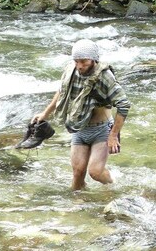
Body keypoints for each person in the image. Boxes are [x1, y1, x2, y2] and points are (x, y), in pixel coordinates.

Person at [32, 39, 131, 190]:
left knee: (95, 172)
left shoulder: (105, 77)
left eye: (83, 61)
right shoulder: (71, 70)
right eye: (76, 61)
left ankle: (112, 186)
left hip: (102, 129)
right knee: (78, 173)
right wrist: (45, 114)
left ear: (93, 59)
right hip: (79, 129)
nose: (79, 66)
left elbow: (124, 105)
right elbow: (62, 92)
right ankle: (77, 207)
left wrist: (113, 135)